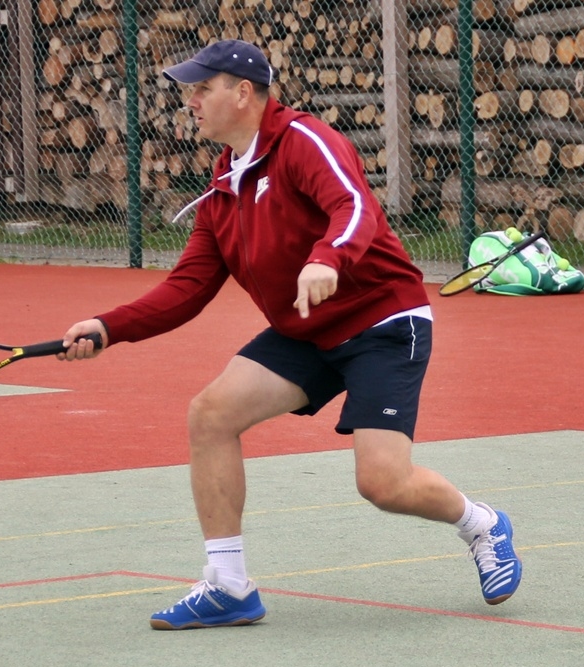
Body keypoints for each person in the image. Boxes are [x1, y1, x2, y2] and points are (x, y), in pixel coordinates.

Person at [57, 39, 522, 630]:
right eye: (190, 92)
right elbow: (188, 288)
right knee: (211, 414)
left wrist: (328, 257)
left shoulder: (305, 142)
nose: (191, 102)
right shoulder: (224, 183)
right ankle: (228, 586)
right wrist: (108, 326)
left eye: (202, 89)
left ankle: (482, 524)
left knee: (382, 483)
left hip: (382, 321)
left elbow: (353, 205)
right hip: (306, 330)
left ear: (243, 92)